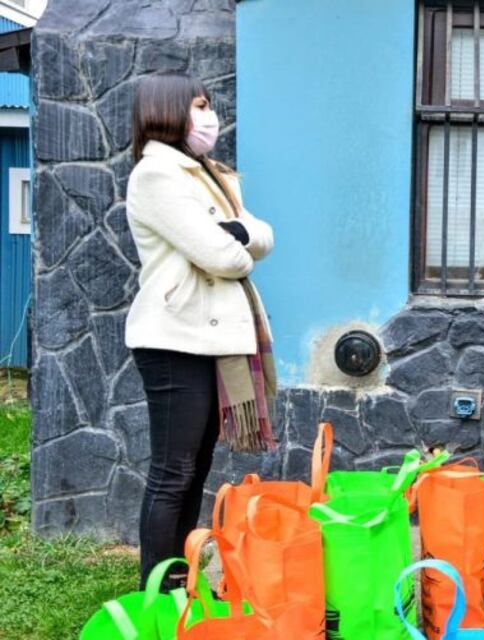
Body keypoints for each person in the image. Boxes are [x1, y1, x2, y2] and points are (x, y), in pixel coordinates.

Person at [125, 73, 277, 589]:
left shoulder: (209, 174)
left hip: (212, 340)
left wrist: (238, 234)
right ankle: (157, 589)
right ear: (167, 112)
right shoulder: (157, 175)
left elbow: (264, 234)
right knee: (173, 472)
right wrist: (239, 239)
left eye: (207, 104)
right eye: (197, 106)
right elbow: (225, 257)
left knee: (193, 468)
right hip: (174, 339)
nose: (208, 116)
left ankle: (178, 577)